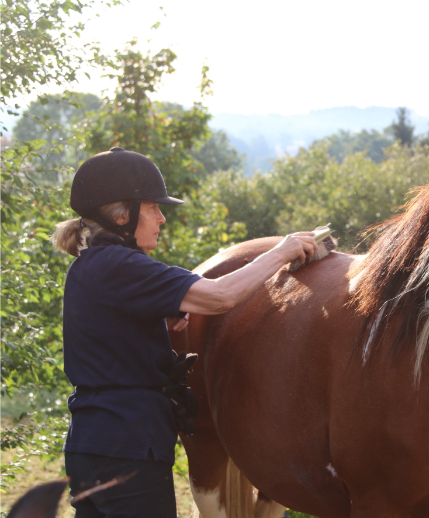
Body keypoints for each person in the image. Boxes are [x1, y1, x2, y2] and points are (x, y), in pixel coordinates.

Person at [52, 147, 318, 517]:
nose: (161, 218)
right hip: (130, 452)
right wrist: (281, 251)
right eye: (152, 207)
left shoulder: (89, 266)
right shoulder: (123, 265)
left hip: (92, 446)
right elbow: (222, 295)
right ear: (122, 215)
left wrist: (160, 318)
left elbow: (112, 331)